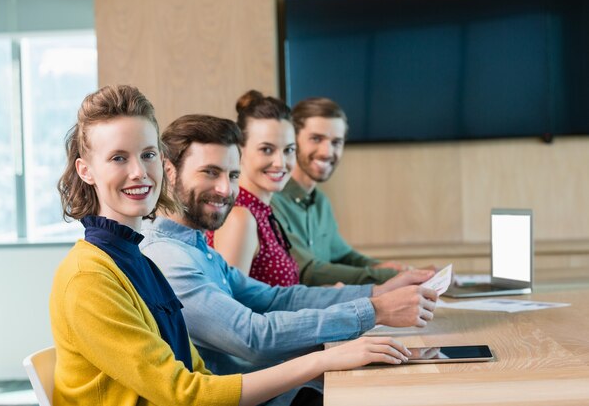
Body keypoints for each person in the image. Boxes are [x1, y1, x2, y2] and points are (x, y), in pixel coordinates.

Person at [50, 85, 413, 406]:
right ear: (86, 170)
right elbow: (188, 393)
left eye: (147, 155)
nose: (139, 172)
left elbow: (205, 373)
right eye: (118, 157)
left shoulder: (138, 259)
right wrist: (326, 357)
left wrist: (352, 336)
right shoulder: (91, 276)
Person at [140, 113, 438, 405]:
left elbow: (274, 298)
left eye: (232, 175)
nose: (225, 189)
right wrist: (374, 311)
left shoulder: (195, 247)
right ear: (168, 170)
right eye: (210, 172)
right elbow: (252, 338)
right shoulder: (168, 258)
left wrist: (378, 294)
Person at [271, 97, 430, 286]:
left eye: (336, 142)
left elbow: (343, 255)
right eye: (316, 139)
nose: (327, 152)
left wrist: (392, 268)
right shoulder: (273, 201)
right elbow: (308, 271)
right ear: (292, 139)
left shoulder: (320, 202)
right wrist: (391, 277)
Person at [207, 90, 299, 286]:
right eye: (267, 149)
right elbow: (231, 310)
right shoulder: (239, 217)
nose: (280, 163)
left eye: (289, 150)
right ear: (240, 149)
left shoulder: (261, 211)